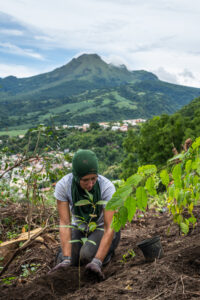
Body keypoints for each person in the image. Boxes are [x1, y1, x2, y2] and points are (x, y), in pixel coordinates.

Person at [51, 149, 120, 279]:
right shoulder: (64, 186)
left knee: (87, 257)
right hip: (80, 228)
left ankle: (107, 253)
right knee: (65, 262)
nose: (90, 184)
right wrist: (66, 258)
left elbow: (109, 226)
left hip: (101, 227)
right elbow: (65, 223)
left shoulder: (107, 187)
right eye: (85, 180)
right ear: (76, 177)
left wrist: (97, 261)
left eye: (93, 179)